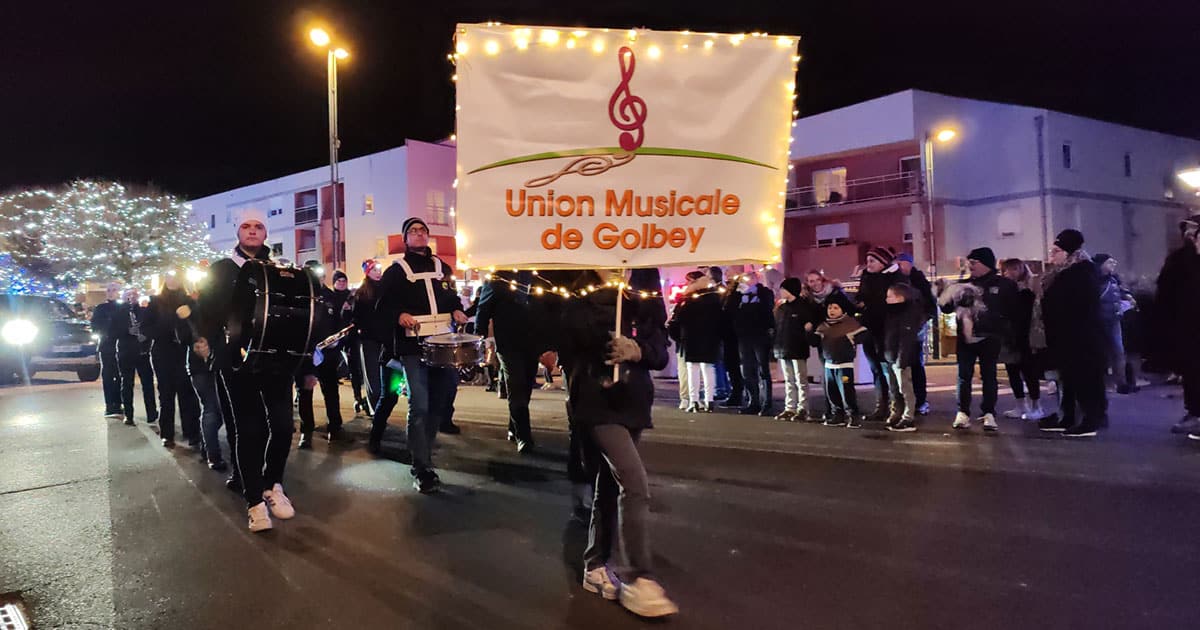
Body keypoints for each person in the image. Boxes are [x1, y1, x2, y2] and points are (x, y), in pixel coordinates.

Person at [564, 269, 677, 619]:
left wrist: (638, 350)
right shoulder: (580, 279)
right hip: (596, 401)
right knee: (634, 483)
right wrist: (611, 336)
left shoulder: (644, 280)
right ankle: (639, 577)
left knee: (610, 485)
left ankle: (595, 565)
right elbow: (573, 334)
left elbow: (660, 350)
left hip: (635, 402)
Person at [194, 208, 297, 532]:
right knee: (250, 430)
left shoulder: (280, 270)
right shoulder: (222, 270)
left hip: (276, 358)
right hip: (234, 359)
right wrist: (208, 344)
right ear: (238, 233)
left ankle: (273, 485)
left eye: (259, 226)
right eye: (246, 226)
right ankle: (254, 502)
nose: (252, 231)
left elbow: (295, 314)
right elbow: (204, 314)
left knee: (282, 426)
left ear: (266, 234)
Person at [369, 217, 468, 493]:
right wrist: (399, 314)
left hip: (443, 344)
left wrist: (458, 309)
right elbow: (383, 305)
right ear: (405, 238)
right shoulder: (396, 271)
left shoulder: (441, 267)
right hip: (412, 347)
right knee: (420, 404)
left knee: (440, 401)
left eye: (423, 231)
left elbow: (451, 297)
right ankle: (421, 466)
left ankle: (425, 453)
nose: (419, 235)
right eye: (413, 231)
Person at [939, 247, 1017, 432]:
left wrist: (1005, 330)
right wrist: (943, 295)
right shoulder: (963, 285)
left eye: (974, 263)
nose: (970, 266)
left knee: (989, 374)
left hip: (990, 336)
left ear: (986, 264)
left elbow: (1013, 310)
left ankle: (988, 412)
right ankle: (962, 412)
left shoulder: (1004, 285)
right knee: (963, 376)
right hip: (965, 338)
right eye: (969, 262)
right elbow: (947, 309)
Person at [1039, 229, 1108, 437]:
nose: (1052, 255)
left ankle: (1090, 419)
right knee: (1068, 378)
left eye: (1056, 251)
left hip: (1080, 338)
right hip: (1067, 337)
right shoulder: (1066, 272)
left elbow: (1077, 306)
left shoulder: (1081, 272)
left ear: (1068, 252)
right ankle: (1067, 415)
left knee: (1085, 378)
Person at [476, 270, 541, 453]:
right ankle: (523, 436)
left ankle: (514, 426)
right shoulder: (498, 278)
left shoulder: (536, 276)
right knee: (516, 386)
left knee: (526, 386)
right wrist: (479, 335)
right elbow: (484, 307)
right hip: (508, 342)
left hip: (533, 341)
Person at [143, 272, 202, 449]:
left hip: (184, 351)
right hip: (163, 351)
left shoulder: (189, 301)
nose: (173, 280)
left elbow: (197, 325)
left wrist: (187, 319)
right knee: (166, 393)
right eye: (169, 277)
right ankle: (167, 433)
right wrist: (169, 323)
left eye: (176, 276)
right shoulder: (155, 302)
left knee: (187, 393)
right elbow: (146, 328)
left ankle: (192, 432)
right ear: (164, 280)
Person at [1155, 212, 1200, 438]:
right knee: (1191, 371)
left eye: (1193, 230)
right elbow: (1166, 291)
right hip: (1186, 326)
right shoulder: (1180, 258)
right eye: (1187, 230)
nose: (1189, 234)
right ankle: (1194, 412)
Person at [853, 247, 901, 422]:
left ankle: (896, 406)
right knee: (876, 369)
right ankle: (881, 405)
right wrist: (860, 302)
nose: (868, 264)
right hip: (870, 329)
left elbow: (890, 302)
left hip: (887, 330)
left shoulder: (894, 278)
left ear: (883, 262)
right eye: (867, 260)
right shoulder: (867, 277)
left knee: (889, 369)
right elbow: (862, 297)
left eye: (872, 261)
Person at [667, 270, 723, 413]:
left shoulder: (689, 299)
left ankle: (694, 400)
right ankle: (709, 400)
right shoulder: (715, 297)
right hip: (710, 338)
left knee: (693, 369)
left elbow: (679, 318)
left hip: (691, 338)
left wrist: (675, 332)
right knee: (708, 369)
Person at [999, 258, 1047, 421]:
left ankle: (1036, 405)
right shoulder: (1004, 290)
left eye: (1013, 269)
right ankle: (1020, 404)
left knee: (1029, 371)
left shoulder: (1029, 288)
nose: (1009, 273)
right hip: (1009, 335)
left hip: (1026, 335)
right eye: (1006, 270)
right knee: (1012, 370)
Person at [812, 292, 869, 428]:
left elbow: (864, 335)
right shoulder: (824, 326)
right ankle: (837, 414)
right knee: (832, 392)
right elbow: (814, 341)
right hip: (829, 365)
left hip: (844, 365)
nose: (832, 311)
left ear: (843, 309)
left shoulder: (850, 324)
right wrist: (809, 333)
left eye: (836, 308)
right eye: (830, 308)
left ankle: (852, 415)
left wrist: (852, 339)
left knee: (847, 391)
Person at [773, 276, 820, 421]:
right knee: (789, 379)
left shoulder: (803, 307)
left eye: (783, 289)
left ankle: (803, 408)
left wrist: (808, 330)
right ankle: (790, 407)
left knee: (801, 379)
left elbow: (809, 323)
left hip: (798, 348)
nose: (781, 292)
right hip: (783, 347)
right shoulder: (781, 308)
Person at [894, 253, 936, 415]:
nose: (899, 266)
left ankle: (920, 400)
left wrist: (922, 321)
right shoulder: (896, 280)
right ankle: (904, 400)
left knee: (916, 365)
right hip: (899, 329)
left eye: (902, 263)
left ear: (910, 264)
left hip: (915, 328)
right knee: (901, 365)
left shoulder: (918, 281)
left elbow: (930, 304)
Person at [882, 283, 924, 432]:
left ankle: (908, 417)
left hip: (900, 358)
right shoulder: (892, 313)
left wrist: (901, 359)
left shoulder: (908, 314)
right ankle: (897, 413)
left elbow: (906, 339)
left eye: (890, 296)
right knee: (894, 388)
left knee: (905, 388)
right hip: (891, 356)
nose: (886, 299)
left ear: (900, 298)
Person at [733, 271, 775, 416]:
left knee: (763, 369)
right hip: (744, 336)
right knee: (747, 370)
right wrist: (735, 291)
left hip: (760, 335)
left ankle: (766, 402)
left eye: (749, 278)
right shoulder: (739, 295)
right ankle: (753, 401)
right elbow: (730, 309)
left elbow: (766, 309)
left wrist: (750, 301)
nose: (747, 281)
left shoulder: (764, 292)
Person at [114, 287, 158, 426]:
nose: (131, 297)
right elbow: (111, 331)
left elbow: (151, 326)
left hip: (142, 351)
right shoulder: (119, 312)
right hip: (126, 351)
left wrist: (145, 336)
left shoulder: (143, 311)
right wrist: (127, 331)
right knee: (127, 383)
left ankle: (152, 414)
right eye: (128, 295)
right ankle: (129, 414)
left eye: (134, 295)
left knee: (148, 383)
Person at [1093, 254, 1136, 394]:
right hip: (1100, 321)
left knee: (1118, 351)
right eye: (1109, 262)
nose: (1113, 265)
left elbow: (1120, 290)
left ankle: (1121, 383)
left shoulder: (1113, 279)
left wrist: (1128, 296)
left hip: (1114, 319)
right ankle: (1102, 383)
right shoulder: (1095, 281)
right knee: (1102, 353)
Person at [351, 259, 384, 416]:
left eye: (379, 270)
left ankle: (382, 408)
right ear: (367, 272)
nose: (378, 273)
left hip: (385, 340)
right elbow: (356, 317)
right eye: (374, 270)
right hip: (369, 339)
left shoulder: (386, 290)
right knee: (373, 378)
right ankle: (374, 409)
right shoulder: (362, 293)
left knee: (388, 378)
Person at [91, 282, 124, 418]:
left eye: (114, 290)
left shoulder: (124, 307)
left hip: (121, 346)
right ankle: (110, 404)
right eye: (109, 290)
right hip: (106, 345)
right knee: (108, 375)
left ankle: (119, 402)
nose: (111, 292)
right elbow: (94, 325)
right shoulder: (100, 308)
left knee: (120, 375)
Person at [716, 267, 745, 408]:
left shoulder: (739, 290)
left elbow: (732, 310)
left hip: (735, 334)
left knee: (736, 366)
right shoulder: (726, 291)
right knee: (731, 366)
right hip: (727, 333)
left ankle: (738, 393)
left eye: (729, 271)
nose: (726, 274)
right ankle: (735, 392)